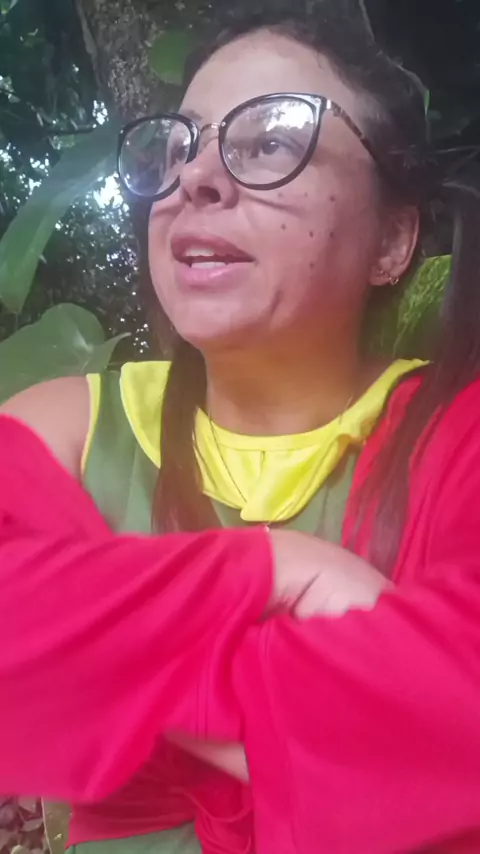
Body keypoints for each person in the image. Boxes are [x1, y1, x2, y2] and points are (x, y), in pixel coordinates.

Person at [2, 5, 480, 853]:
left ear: (393, 239)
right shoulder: (69, 427)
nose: (195, 178)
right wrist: (271, 568)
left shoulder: (456, 438)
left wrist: (96, 651)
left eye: (271, 141)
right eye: (178, 147)